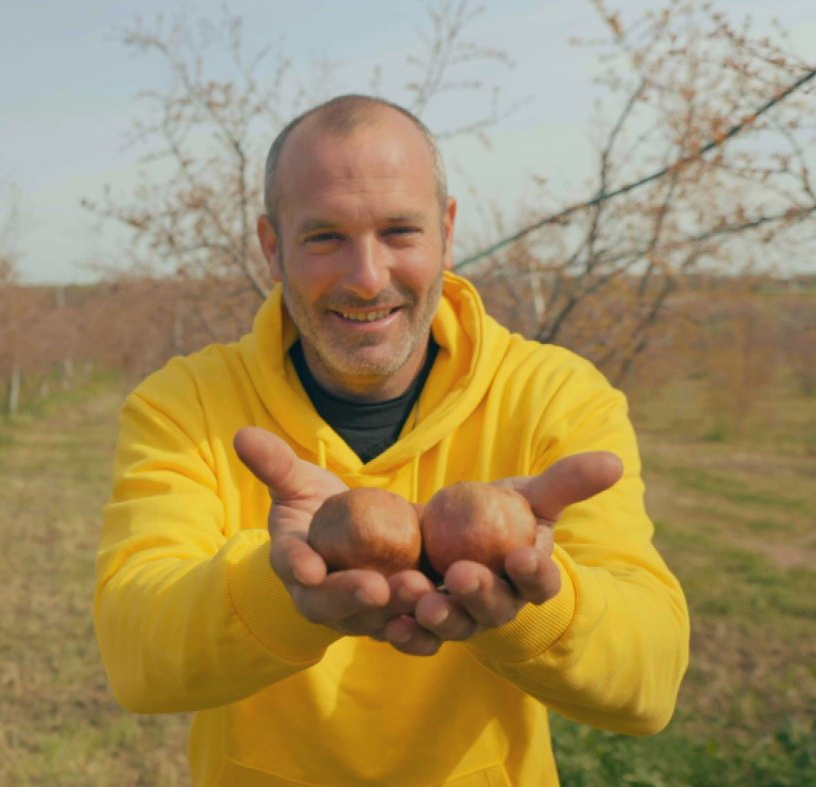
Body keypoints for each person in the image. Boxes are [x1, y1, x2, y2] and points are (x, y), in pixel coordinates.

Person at [93, 94, 690, 786]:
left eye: (400, 232)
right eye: (324, 238)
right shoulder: (186, 405)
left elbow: (650, 683)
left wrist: (536, 601)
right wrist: (280, 586)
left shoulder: (552, 395)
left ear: (447, 228)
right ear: (271, 246)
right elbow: (135, 657)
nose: (367, 277)